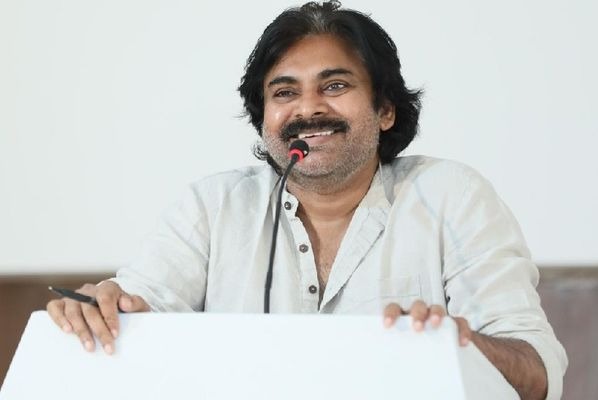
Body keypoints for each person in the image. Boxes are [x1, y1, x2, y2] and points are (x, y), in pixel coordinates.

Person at [46, 1, 567, 399]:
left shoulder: (453, 196)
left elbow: (538, 372)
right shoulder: (212, 206)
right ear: (264, 120)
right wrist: (106, 309)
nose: (308, 109)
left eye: (334, 86)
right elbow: (142, 305)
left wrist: (461, 346)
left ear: (385, 109)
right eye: (284, 93)